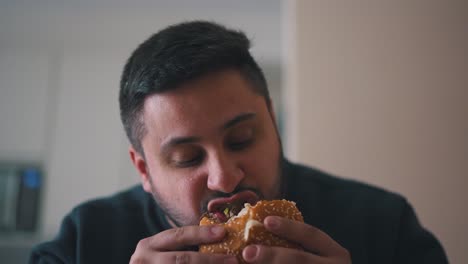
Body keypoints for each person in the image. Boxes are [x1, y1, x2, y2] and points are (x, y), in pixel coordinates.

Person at [30, 21, 448, 264]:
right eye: (187, 157)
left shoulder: (385, 227)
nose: (226, 177)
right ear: (143, 169)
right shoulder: (82, 242)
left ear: (273, 121)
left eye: (242, 138)